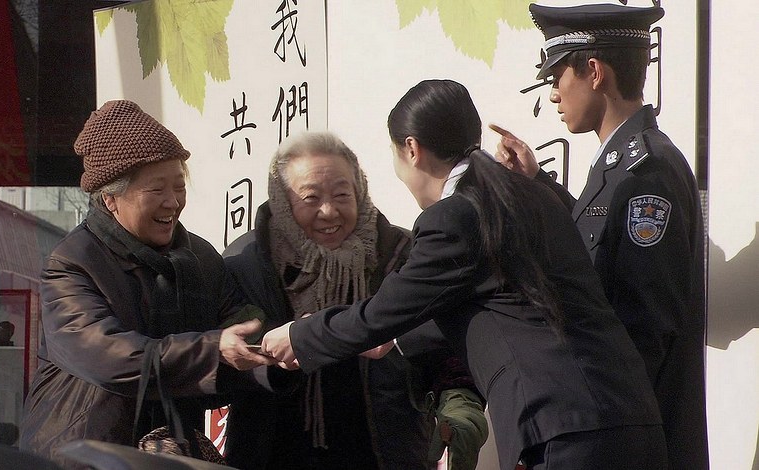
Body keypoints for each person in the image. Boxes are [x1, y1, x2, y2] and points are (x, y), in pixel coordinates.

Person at [261, 79, 667, 470]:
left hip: (565, 429)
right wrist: (394, 339)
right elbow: (503, 304)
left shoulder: (454, 217)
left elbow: (382, 313)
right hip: (629, 418)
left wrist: (300, 335)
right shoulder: (528, 194)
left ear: (412, 149)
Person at [490, 4, 708, 468]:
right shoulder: (624, 165)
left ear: (593, 72)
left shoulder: (647, 171)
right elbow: (601, 238)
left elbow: (644, 325)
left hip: (632, 439)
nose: (553, 94)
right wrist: (538, 182)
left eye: (556, 77)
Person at [19, 100, 277, 468]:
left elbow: (242, 328)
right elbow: (110, 358)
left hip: (165, 456)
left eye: (179, 187)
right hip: (81, 456)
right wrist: (211, 350)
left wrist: (286, 345)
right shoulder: (72, 264)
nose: (173, 202)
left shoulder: (200, 258)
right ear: (111, 199)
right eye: (156, 190)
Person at [222, 130, 488, 470]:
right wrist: (276, 361)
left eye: (341, 195)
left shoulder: (404, 256)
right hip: (272, 453)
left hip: (387, 453)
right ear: (282, 202)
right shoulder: (247, 262)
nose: (329, 211)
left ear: (359, 191)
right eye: (311, 198)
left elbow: (446, 342)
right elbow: (230, 358)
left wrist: (461, 406)